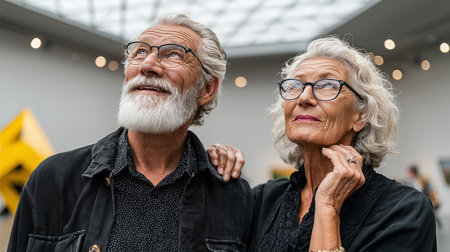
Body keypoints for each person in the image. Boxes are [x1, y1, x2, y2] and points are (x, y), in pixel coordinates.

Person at [8, 14, 252, 252]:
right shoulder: (53, 179)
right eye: (140, 52)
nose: (148, 65)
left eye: (174, 54)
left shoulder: (232, 195)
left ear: (207, 88)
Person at [209, 37, 437, 251]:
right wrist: (208, 162)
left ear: (360, 115)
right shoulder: (261, 201)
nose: (304, 98)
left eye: (327, 84)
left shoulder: (403, 210)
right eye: (295, 86)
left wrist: (327, 207)